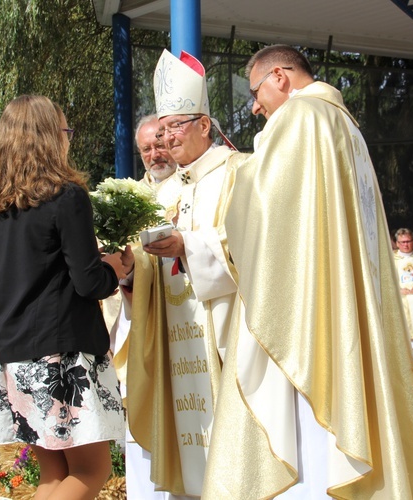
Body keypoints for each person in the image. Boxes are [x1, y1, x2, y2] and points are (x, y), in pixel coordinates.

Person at [204, 44, 413, 498]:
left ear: (280, 76)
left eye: (256, 92)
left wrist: (237, 176)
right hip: (344, 294)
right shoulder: (343, 122)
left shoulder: (299, 118)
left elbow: (265, 208)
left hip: (307, 303)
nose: (255, 106)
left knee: (306, 416)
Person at [0, 95, 125, 500]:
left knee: (54, 477)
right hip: (58, 354)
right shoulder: (65, 197)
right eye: (65, 131)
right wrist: (116, 268)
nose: (69, 140)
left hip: (10, 351)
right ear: (47, 138)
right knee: (92, 472)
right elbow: (89, 282)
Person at [113, 49, 248, 497]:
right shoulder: (161, 192)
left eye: (175, 128)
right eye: (163, 129)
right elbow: (144, 272)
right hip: (172, 336)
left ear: (204, 125)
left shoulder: (238, 172)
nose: (166, 139)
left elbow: (250, 247)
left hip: (222, 331)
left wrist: (188, 246)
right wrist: (129, 270)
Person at [103, 113, 181, 499]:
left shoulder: (193, 187)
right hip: (141, 324)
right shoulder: (127, 199)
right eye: (146, 149)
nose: (155, 154)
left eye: (161, 144)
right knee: (143, 413)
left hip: (188, 325)